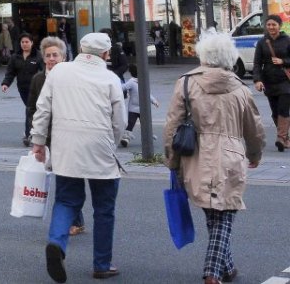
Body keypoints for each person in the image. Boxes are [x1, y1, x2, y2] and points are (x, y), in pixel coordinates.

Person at [163, 31, 263, 284]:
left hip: (195, 156)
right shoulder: (240, 89)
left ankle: (226, 268)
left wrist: (172, 161)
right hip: (230, 156)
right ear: (230, 57)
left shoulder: (186, 83)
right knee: (225, 213)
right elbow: (254, 128)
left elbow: (172, 126)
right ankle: (213, 272)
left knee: (214, 212)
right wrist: (255, 153)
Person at [30, 32, 126, 282]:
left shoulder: (59, 72)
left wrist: (38, 142)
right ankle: (102, 264)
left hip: (66, 148)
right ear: (106, 55)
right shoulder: (111, 78)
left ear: (81, 49)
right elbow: (120, 122)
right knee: (104, 208)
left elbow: (43, 109)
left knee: (66, 200)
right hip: (100, 149)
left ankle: (57, 243)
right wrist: (111, 145)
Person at [27, 37, 85, 237]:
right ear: (43, 58)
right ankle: (73, 219)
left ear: (64, 56)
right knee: (63, 179)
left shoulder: (73, 77)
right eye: (48, 56)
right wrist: (33, 135)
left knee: (66, 179)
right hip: (47, 136)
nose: (52, 59)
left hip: (68, 135)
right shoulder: (38, 79)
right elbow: (32, 108)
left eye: (55, 55)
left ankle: (74, 220)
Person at [252, 15, 290, 152]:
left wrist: (283, 61)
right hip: (269, 81)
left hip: (285, 81)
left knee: (283, 109)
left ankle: (280, 138)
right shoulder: (262, 42)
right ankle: (286, 138)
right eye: (268, 25)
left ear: (279, 26)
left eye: (274, 25)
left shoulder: (287, 40)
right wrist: (257, 80)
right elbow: (257, 63)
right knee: (275, 111)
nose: (271, 27)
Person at [1, 33, 42, 145]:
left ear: (32, 43)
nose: (24, 44)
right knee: (32, 110)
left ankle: (28, 135)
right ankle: (35, 131)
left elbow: (44, 72)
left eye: (27, 42)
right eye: (22, 42)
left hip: (35, 89)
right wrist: (5, 84)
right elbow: (10, 72)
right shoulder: (15, 57)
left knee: (29, 109)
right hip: (22, 88)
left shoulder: (38, 56)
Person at [118, 64, 159, 148]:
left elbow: (123, 88)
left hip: (132, 108)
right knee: (145, 123)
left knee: (130, 124)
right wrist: (154, 101)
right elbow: (148, 94)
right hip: (143, 108)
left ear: (131, 73)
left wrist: (116, 84)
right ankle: (148, 136)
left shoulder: (131, 82)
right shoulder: (143, 81)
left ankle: (126, 138)